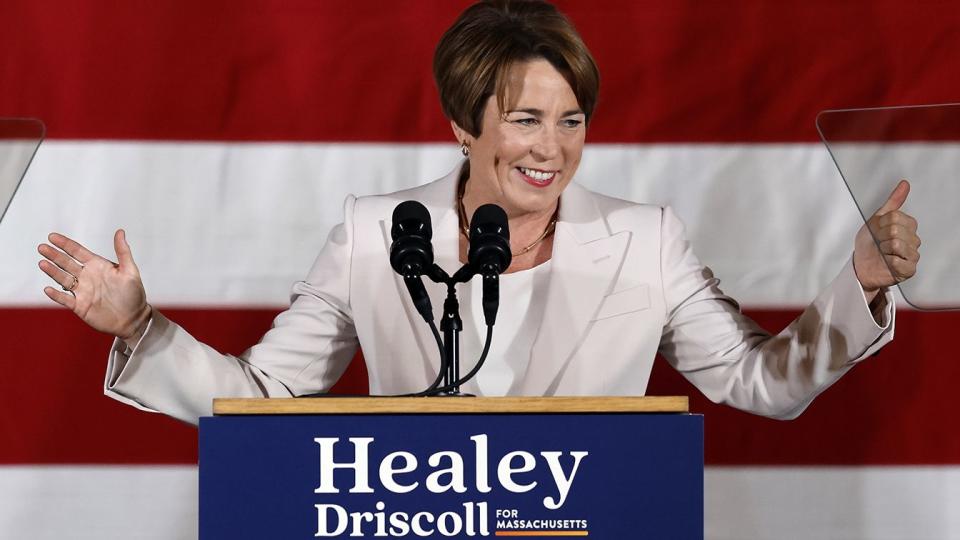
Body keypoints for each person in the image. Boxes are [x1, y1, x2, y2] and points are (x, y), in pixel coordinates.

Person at [37, 0, 919, 426]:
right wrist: (143, 326)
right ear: (465, 126)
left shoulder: (646, 241)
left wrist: (861, 284)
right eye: (526, 120)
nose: (552, 148)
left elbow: (762, 383)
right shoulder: (378, 235)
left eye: (572, 121)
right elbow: (264, 396)